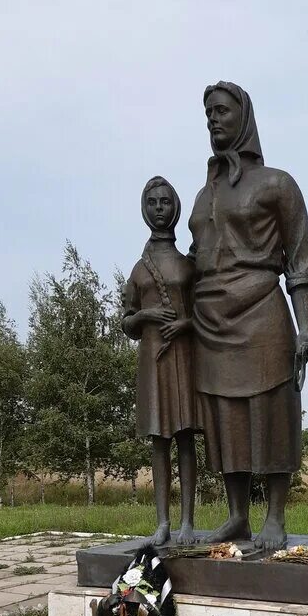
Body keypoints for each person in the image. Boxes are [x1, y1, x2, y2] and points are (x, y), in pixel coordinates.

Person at [188, 81, 308, 549]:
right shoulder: (203, 196)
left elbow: (301, 259)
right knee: (226, 419)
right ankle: (237, 516)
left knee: (271, 413)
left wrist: (306, 326)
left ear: (243, 116)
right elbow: (193, 258)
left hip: (261, 311)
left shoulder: (277, 184)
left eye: (222, 111)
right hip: (210, 321)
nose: (213, 119)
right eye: (208, 113)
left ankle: (276, 517)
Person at [122, 176, 199, 545]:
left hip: (183, 357)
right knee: (159, 440)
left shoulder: (189, 265)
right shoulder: (139, 270)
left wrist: (185, 323)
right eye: (152, 203)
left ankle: (187, 521)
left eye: (165, 202)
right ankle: (162, 523)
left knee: (185, 437)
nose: (158, 209)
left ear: (175, 208)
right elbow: (127, 320)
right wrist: (147, 316)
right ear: (143, 209)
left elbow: (205, 314)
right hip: (153, 361)